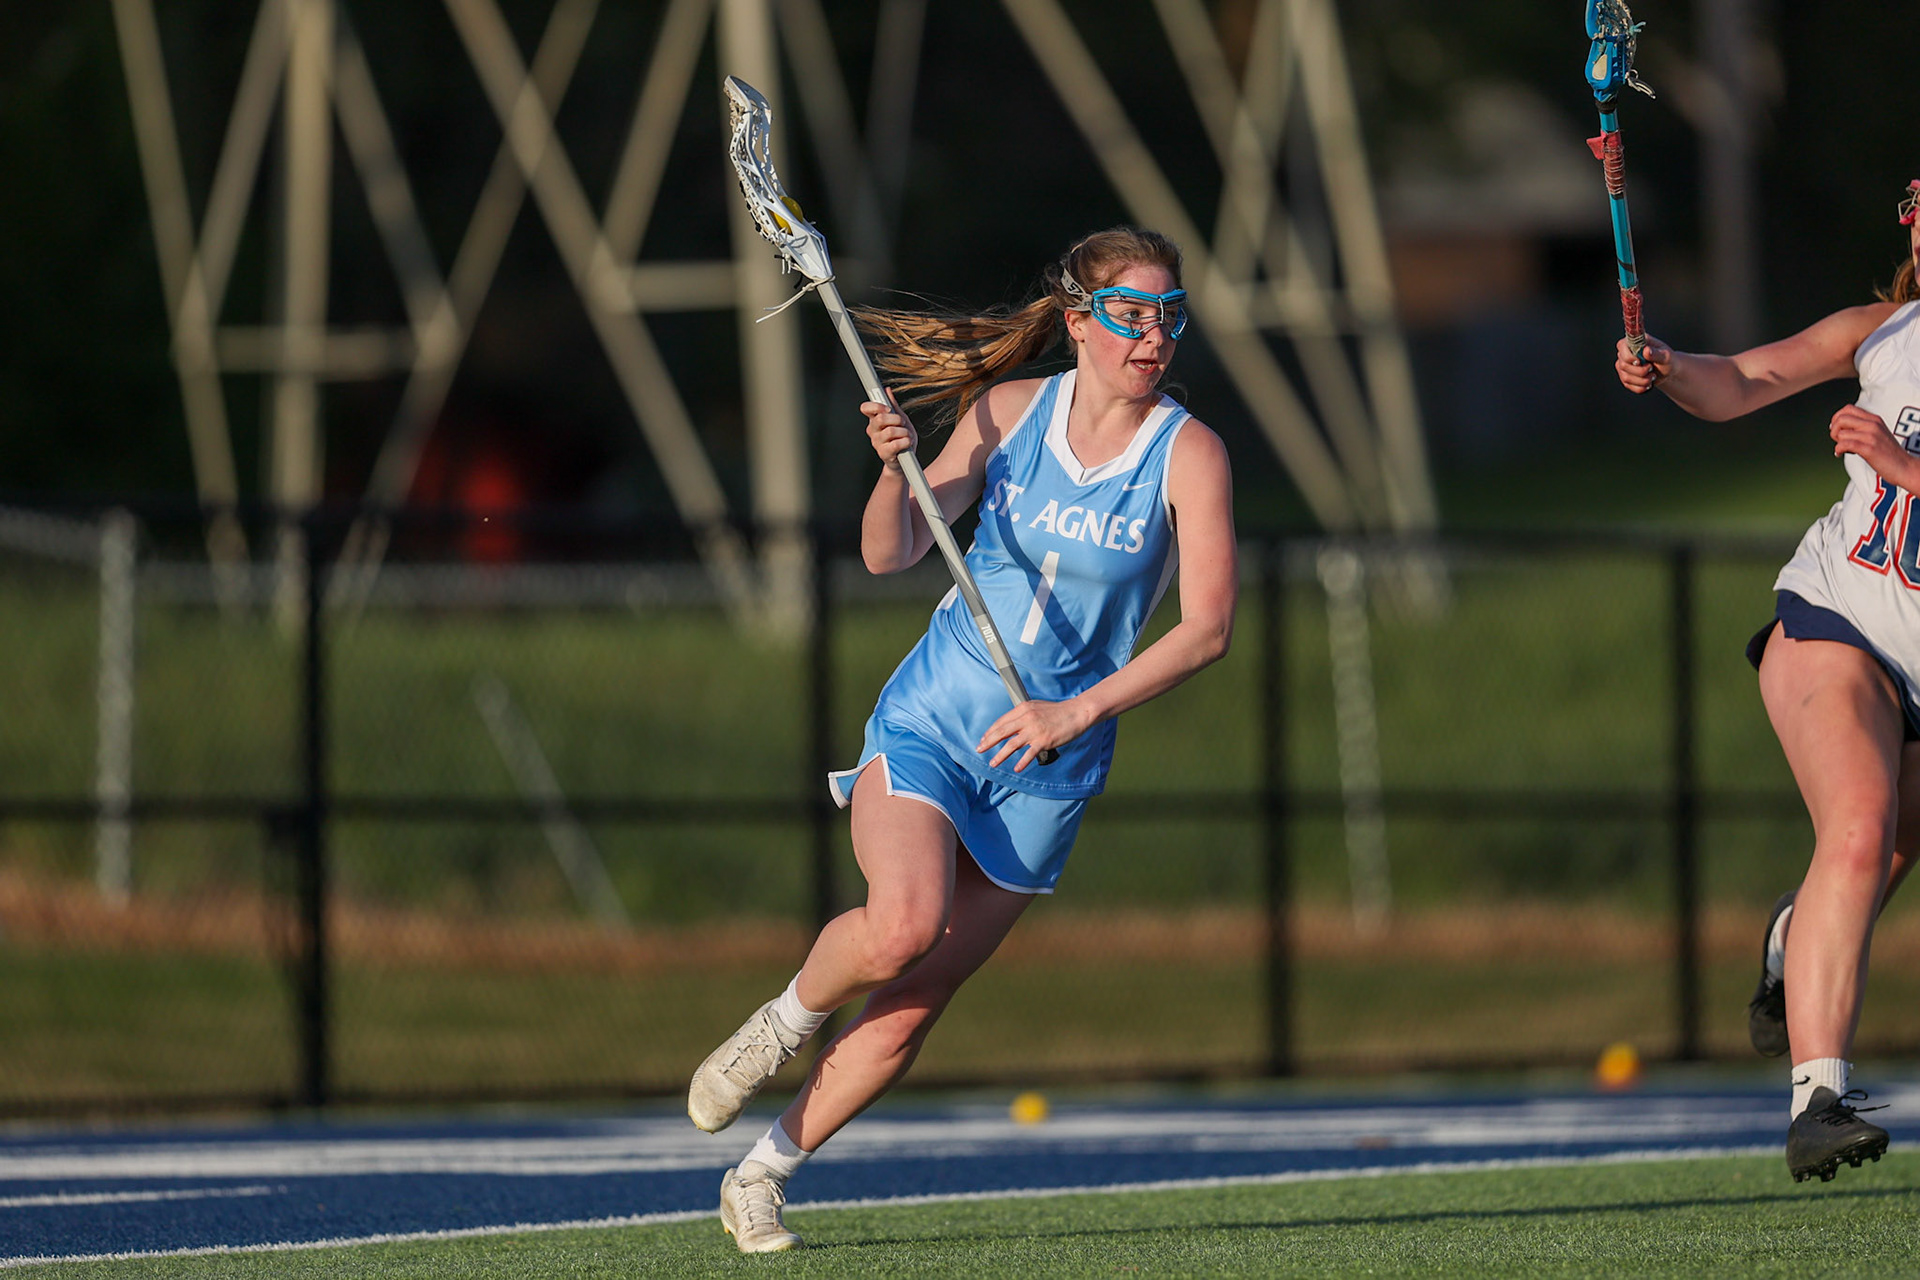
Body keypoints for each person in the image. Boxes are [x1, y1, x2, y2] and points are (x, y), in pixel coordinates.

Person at [684, 227, 1237, 1251]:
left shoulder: (1189, 452)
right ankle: (785, 1018)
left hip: (1050, 765)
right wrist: (896, 472)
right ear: (1079, 323)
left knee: (913, 1001)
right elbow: (889, 551)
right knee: (903, 924)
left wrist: (1076, 713)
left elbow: (1206, 628)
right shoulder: (1008, 412)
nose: (1153, 336)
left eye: (1169, 315)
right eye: (1130, 315)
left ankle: (762, 1172)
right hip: (941, 714)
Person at [1613, 180, 1920, 1182]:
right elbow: (1742, 378)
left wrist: (1907, 469)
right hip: (1840, 623)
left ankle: (1794, 930)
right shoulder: (1882, 330)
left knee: (1881, 856)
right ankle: (1817, 1099)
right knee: (1862, 827)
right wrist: (1668, 366)